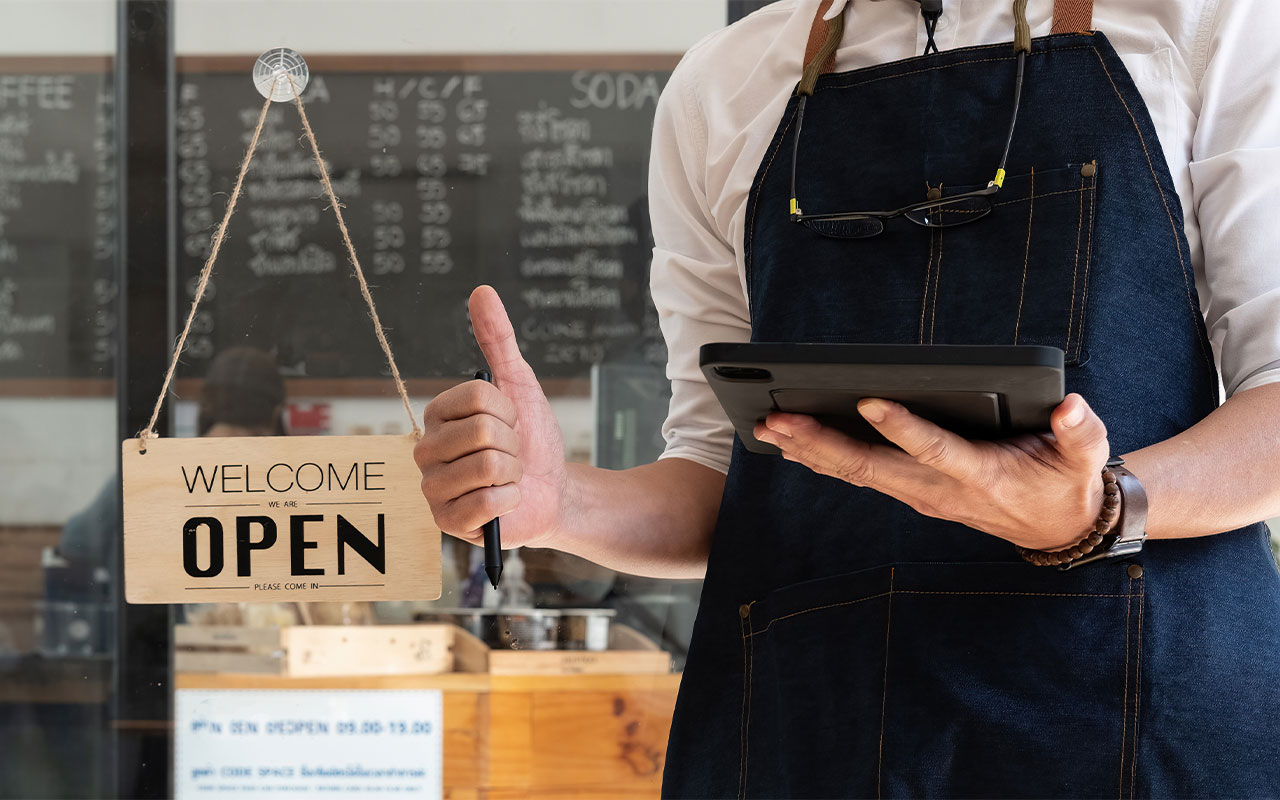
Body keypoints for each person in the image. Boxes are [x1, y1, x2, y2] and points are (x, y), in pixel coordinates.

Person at [414, 0, 1280, 795]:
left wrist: (1101, 506)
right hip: (810, 722)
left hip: (1138, 716)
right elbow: (724, 473)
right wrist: (559, 501)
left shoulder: (1207, 22)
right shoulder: (724, 84)